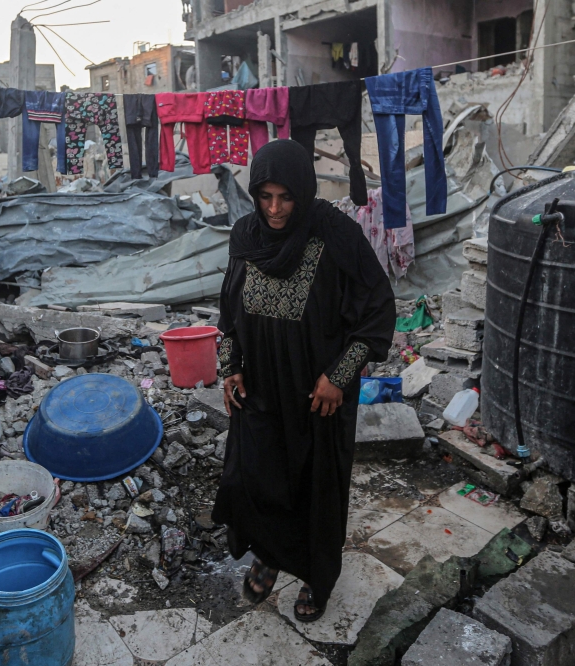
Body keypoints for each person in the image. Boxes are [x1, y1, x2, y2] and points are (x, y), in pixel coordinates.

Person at [211, 139, 396, 622]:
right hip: (262, 387)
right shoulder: (244, 236)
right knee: (262, 475)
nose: (274, 209)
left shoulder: (336, 234)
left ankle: (317, 573)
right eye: (265, 196)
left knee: (316, 485)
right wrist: (230, 364)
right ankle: (271, 554)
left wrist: (338, 376)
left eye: (286, 197)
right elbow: (228, 309)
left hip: (319, 395)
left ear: (304, 192)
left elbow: (377, 310)